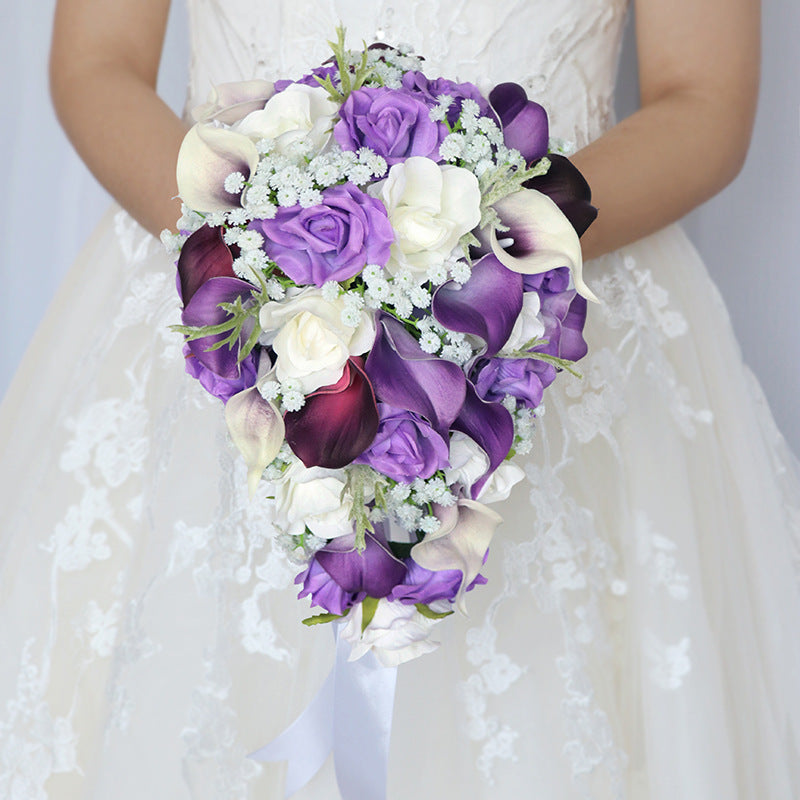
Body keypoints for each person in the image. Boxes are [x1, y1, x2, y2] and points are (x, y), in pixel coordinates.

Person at [1, 0, 798, 797]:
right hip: (223, 302)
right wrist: (265, 261)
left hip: (553, 318)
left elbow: (704, 100)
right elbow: (95, 63)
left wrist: (467, 263)